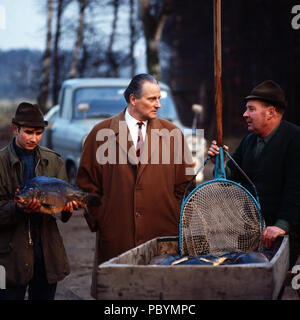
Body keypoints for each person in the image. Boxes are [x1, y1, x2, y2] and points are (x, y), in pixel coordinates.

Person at [76, 73, 195, 298]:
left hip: (162, 237)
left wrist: (174, 219)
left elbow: (186, 185)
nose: (158, 104)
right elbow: (86, 185)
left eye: (159, 98)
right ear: (133, 99)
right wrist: (102, 219)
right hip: (117, 236)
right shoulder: (101, 134)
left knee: (161, 297)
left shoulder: (173, 134)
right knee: (118, 296)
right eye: (152, 99)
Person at [208, 80, 300, 268]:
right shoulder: (249, 141)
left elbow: (296, 187)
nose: (245, 114)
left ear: (271, 112)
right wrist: (218, 162)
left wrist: (282, 225)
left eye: (251, 109)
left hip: (284, 234)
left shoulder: (295, 139)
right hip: (251, 232)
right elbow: (230, 179)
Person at [0, 102, 77, 300]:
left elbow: (63, 212)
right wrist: (18, 208)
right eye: (28, 132)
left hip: (47, 252)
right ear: (15, 129)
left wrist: (67, 209)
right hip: (7, 256)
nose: (34, 138)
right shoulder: (0, 163)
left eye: (39, 133)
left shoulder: (54, 161)